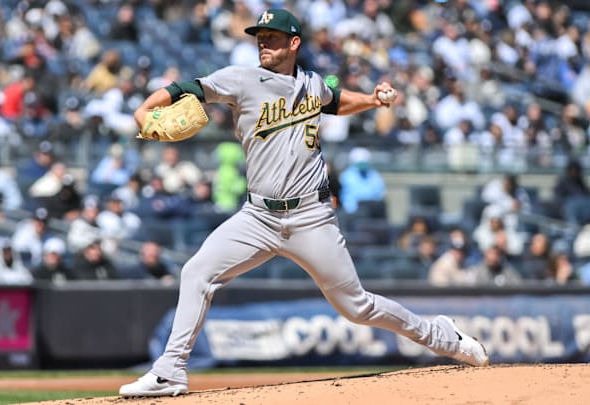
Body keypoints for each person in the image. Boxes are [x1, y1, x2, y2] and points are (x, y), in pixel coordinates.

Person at [119, 8, 488, 398]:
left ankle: (444, 337)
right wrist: (145, 109)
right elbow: (184, 89)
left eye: (273, 36)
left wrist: (373, 101)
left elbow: (335, 101)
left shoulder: (312, 84)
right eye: (260, 36)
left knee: (356, 307)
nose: (263, 41)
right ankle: (171, 370)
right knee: (196, 273)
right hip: (258, 216)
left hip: (313, 217)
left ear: (293, 43)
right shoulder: (240, 78)